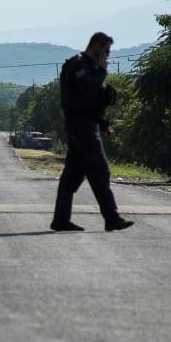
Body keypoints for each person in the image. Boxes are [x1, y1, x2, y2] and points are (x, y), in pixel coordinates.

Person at [51, 32, 133, 232]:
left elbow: (93, 102)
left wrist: (104, 123)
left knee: (72, 175)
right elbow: (87, 91)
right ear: (96, 48)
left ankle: (61, 219)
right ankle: (111, 218)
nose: (107, 56)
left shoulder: (91, 68)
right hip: (81, 126)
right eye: (105, 51)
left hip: (86, 124)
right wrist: (102, 72)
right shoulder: (77, 66)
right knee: (99, 170)